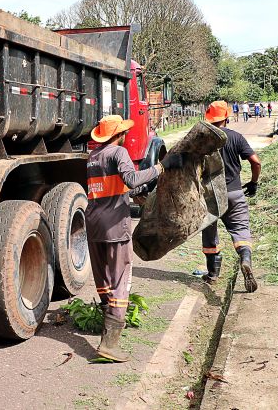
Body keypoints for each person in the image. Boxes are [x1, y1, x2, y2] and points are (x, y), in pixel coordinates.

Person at [86, 114, 181, 362]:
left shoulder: (93, 157)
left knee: (105, 277)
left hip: (93, 225)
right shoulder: (118, 153)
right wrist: (160, 168)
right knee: (120, 278)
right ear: (119, 135)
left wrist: (141, 188)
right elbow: (130, 178)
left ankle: (107, 322)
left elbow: (116, 187)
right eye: (124, 132)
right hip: (114, 227)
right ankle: (109, 343)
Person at [200, 101, 260, 293]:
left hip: (210, 195)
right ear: (227, 117)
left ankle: (212, 275)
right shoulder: (236, 138)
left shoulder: (202, 140)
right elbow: (255, 162)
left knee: (210, 233)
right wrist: (253, 182)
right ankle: (245, 259)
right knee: (241, 229)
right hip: (234, 192)